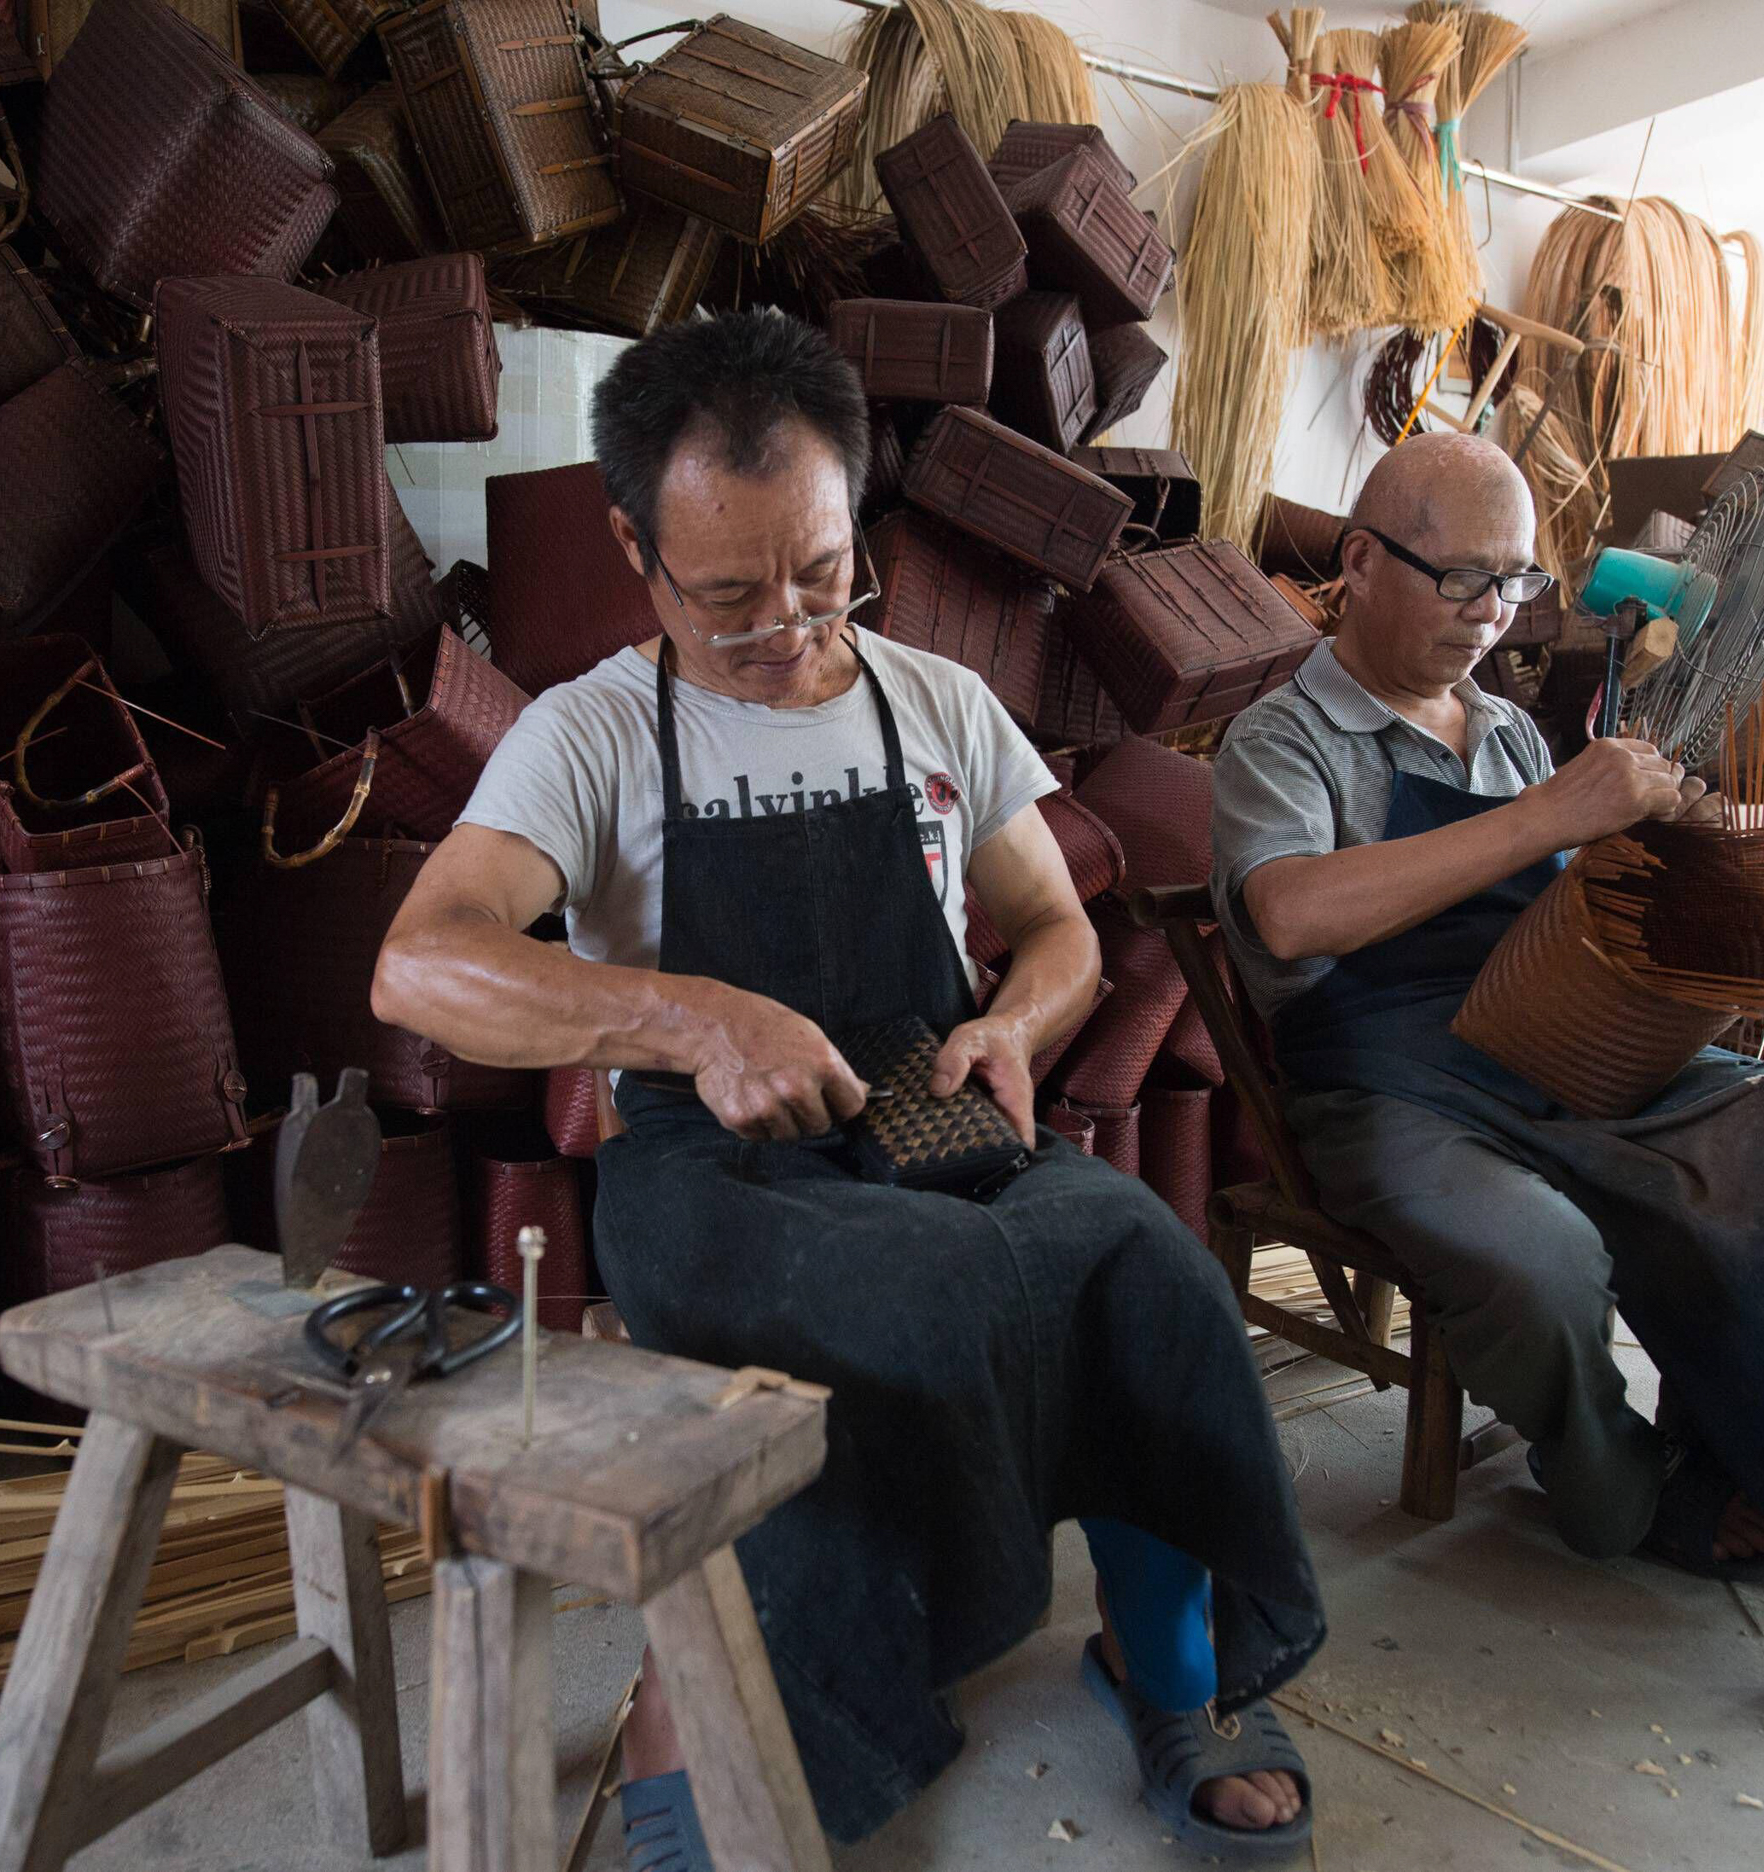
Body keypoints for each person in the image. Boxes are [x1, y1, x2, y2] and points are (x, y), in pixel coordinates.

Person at [374, 310, 1324, 1864]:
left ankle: (1177, 1670)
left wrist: (1016, 1027)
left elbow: (1061, 934)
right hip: (709, 1167)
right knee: (903, 1305)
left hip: (937, 1116)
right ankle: (713, 1732)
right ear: (637, 549)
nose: (790, 629)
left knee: (1155, 1267)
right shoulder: (594, 733)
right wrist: (687, 1020)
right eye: (732, 596)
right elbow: (420, 965)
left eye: (820, 577)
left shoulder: (932, 700)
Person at [1209, 432, 1764, 1590]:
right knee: (1539, 1256)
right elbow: (1286, 916)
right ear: (1363, 562)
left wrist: (1669, 847)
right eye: (1462, 576)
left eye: (1515, 579)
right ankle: (1623, 1492)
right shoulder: (1282, 738)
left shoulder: (1509, 730)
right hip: (1392, 1088)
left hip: (1558, 1046)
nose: (1491, 612)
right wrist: (1547, 817)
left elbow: (1566, 911)